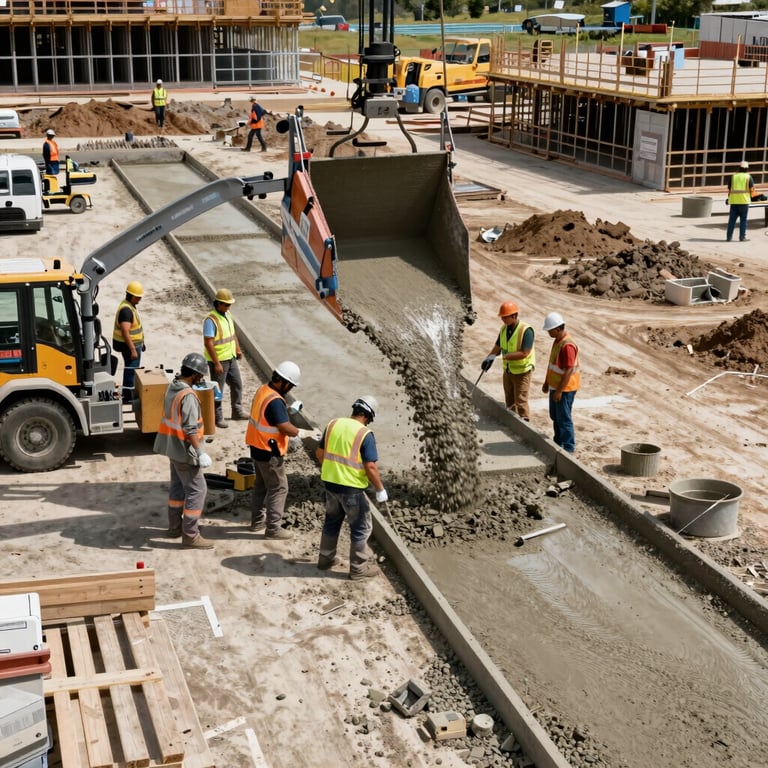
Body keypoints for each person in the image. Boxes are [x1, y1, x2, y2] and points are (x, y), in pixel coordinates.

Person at [315, 395, 387, 581]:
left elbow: (319, 452)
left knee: (332, 521)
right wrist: (380, 489)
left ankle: (325, 559)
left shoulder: (333, 424)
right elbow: (370, 467)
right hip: (351, 490)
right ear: (368, 416)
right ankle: (358, 571)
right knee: (361, 528)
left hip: (330, 485)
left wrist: (332, 470)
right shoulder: (365, 434)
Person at [153, 353, 214, 549]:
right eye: (201, 376)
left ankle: (174, 527)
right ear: (195, 375)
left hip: (171, 447)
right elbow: (190, 429)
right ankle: (190, 535)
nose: (201, 380)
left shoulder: (174, 386)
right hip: (184, 451)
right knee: (198, 490)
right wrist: (200, 452)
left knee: (178, 488)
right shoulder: (188, 396)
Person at [245, 361, 304, 539]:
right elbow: (284, 427)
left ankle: (257, 522)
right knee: (279, 488)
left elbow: (269, 415)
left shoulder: (264, 390)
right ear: (283, 382)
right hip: (269, 452)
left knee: (261, 485)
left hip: (256, 446)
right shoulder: (276, 401)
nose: (290, 389)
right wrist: (297, 431)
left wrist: (287, 411)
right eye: (290, 385)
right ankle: (273, 529)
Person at [480, 301, 535, 421]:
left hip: (522, 371)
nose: (503, 319)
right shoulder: (504, 329)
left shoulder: (526, 331)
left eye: (505, 317)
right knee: (509, 399)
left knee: (520, 401)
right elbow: (497, 346)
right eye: (502, 317)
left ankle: (525, 424)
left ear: (514, 316)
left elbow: (525, 353)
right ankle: (512, 422)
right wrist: (489, 358)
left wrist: (505, 357)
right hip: (508, 370)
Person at [203, 288, 246, 428]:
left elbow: (233, 334)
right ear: (219, 304)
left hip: (230, 357)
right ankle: (217, 416)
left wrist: (237, 349)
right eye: (226, 304)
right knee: (218, 390)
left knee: (237, 384)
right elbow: (208, 342)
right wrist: (216, 363)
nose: (229, 307)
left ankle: (237, 410)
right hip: (219, 360)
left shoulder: (228, 315)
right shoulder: (211, 320)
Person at [541, 312, 580, 454]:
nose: (548, 333)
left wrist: (559, 391)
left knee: (564, 418)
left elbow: (569, 370)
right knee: (555, 416)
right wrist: (547, 382)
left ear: (557, 328)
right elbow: (553, 365)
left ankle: (568, 448)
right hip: (555, 386)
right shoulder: (558, 341)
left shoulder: (567, 345)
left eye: (550, 330)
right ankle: (558, 442)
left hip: (565, 389)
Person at [112, 281, 145, 403]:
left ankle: (129, 394)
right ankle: (128, 396)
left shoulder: (129, 306)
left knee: (131, 370)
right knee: (131, 371)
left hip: (134, 345)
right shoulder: (126, 311)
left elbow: (134, 328)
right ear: (132, 296)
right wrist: (132, 349)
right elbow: (126, 331)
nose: (139, 299)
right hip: (129, 346)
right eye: (138, 297)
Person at [726, 160, 755, 242]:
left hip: (734, 201)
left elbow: (729, 188)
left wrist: (729, 198)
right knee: (743, 220)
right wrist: (753, 198)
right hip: (744, 201)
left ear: (739, 168)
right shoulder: (748, 177)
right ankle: (742, 237)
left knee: (732, 220)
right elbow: (752, 189)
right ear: (747, 169)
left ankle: (729, 237)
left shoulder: (733, 176)